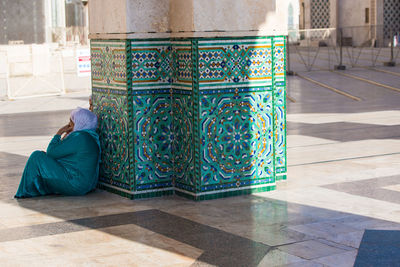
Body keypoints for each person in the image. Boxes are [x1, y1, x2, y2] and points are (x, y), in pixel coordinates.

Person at [15, 108, 101, 198]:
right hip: (86, 186)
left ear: (79, 123)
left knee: (37, 156)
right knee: (44, 157)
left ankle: (27, 191)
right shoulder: (90, 136)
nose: (69, 125)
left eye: (71, 122)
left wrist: (59, 133)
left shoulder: (80, 137)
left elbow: (51, 152)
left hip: (76, 185)